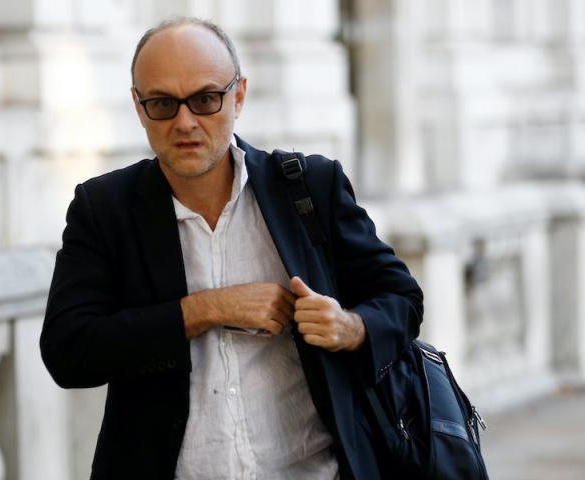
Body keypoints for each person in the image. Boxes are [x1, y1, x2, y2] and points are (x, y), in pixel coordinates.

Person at [40, 17, 424, 480]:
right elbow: (68, 352)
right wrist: (205, 309)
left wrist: (351, 327)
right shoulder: (103, 208)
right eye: (163, 103)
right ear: (139, 107)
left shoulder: (308, 188)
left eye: (205, 99)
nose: (185, 122)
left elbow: (402, 298)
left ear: (238, 95)